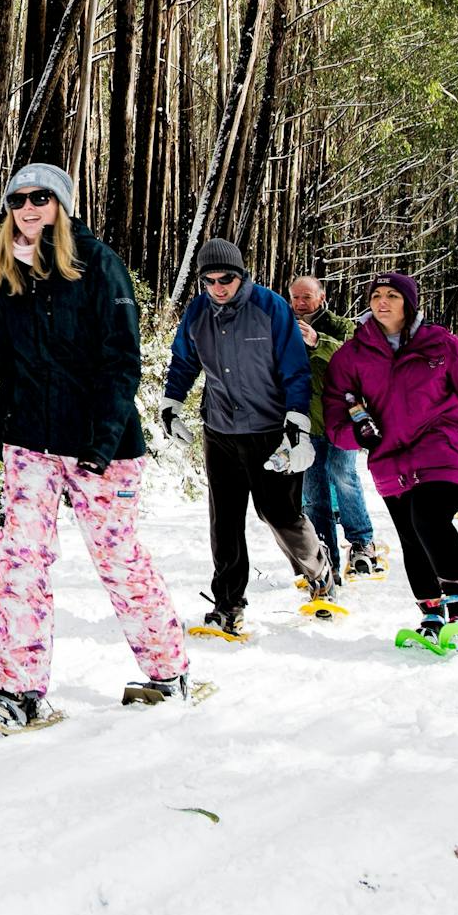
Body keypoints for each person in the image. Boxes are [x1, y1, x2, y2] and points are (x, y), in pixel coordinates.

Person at [0, 163, 192, 729]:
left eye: (41, 197)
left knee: (119, 562)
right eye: (17, 199)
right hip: (31, 445)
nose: (28, 207)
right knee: (20, 563)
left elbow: (123, 363)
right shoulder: (12, 276)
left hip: (101, 448)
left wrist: (103, 440)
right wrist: (6, 426)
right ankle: (18, 690)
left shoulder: (99, 267)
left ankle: (169, 668)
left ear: (63, 204)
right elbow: (12, 365)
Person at [326, 273, 458, 646]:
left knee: (428, 516)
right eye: (376, 295)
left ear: (409, 303)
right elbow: (335, 416)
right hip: (390, 458)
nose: (383, 302)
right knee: (410, 535)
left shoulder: (441, 344)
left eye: (392, 295)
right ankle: (431, 614)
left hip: (445, 447)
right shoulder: (351, 357)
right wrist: (355, 434)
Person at [162, 238, 333, 639]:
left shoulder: (271, 308)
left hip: (271, 430)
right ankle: (228, 605)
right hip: (220, 430)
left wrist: (296, 421)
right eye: (210, 280)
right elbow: (184, 360)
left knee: (278, 512)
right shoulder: (198, 312)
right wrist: (171, 402)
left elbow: (295, 368)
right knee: (225, 519)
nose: (219, 287)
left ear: (242, 275)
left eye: (227, 278)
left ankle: (318, 568)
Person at [290, 274, 385, 580]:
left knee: (343, 476)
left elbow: (356, 364)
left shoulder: (343, 327)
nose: (300, 304)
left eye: (306, 297)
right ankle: (324, 554)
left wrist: (318, 341)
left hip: (343, 419)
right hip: (307, 422)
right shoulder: (283, 329)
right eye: (295, 298)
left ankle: (362, 543)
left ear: (322, 298)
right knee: (313, 492)